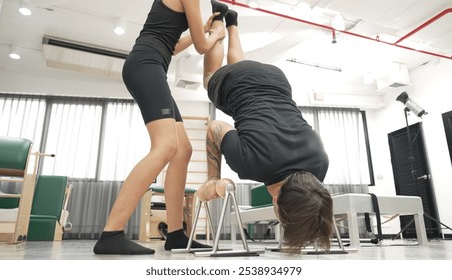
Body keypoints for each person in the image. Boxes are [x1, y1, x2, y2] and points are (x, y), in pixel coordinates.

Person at [93, 0, 228, 255]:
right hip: (146, 65)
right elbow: (202, 47)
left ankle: (176, 234)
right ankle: (111, 233)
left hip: (150, 64)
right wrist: (215, 35)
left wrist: (202, 29)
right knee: (166, 146)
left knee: (183, 149)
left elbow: (173, 46)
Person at [201, 7, 334, 253]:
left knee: (238, 66)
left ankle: (233, 23)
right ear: (276, 201)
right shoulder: (251, 164)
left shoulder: (320, 166)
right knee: (210, 77)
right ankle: (219, 23)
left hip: (277, 80)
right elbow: (216, 127)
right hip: (239, 86)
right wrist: (212, 178)